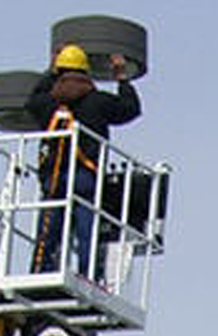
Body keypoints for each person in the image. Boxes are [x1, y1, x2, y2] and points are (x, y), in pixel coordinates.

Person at [27, 44, 142, 277]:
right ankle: (88, 274)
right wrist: (121, 76)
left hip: (54, 177)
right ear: (86, 74)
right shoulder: (97, 102)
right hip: (84, 177)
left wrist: (50, 70)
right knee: (86, 227)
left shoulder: (47, 103)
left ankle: (40, 270)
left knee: (49, 227)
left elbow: (32, 100)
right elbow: (131, 109)